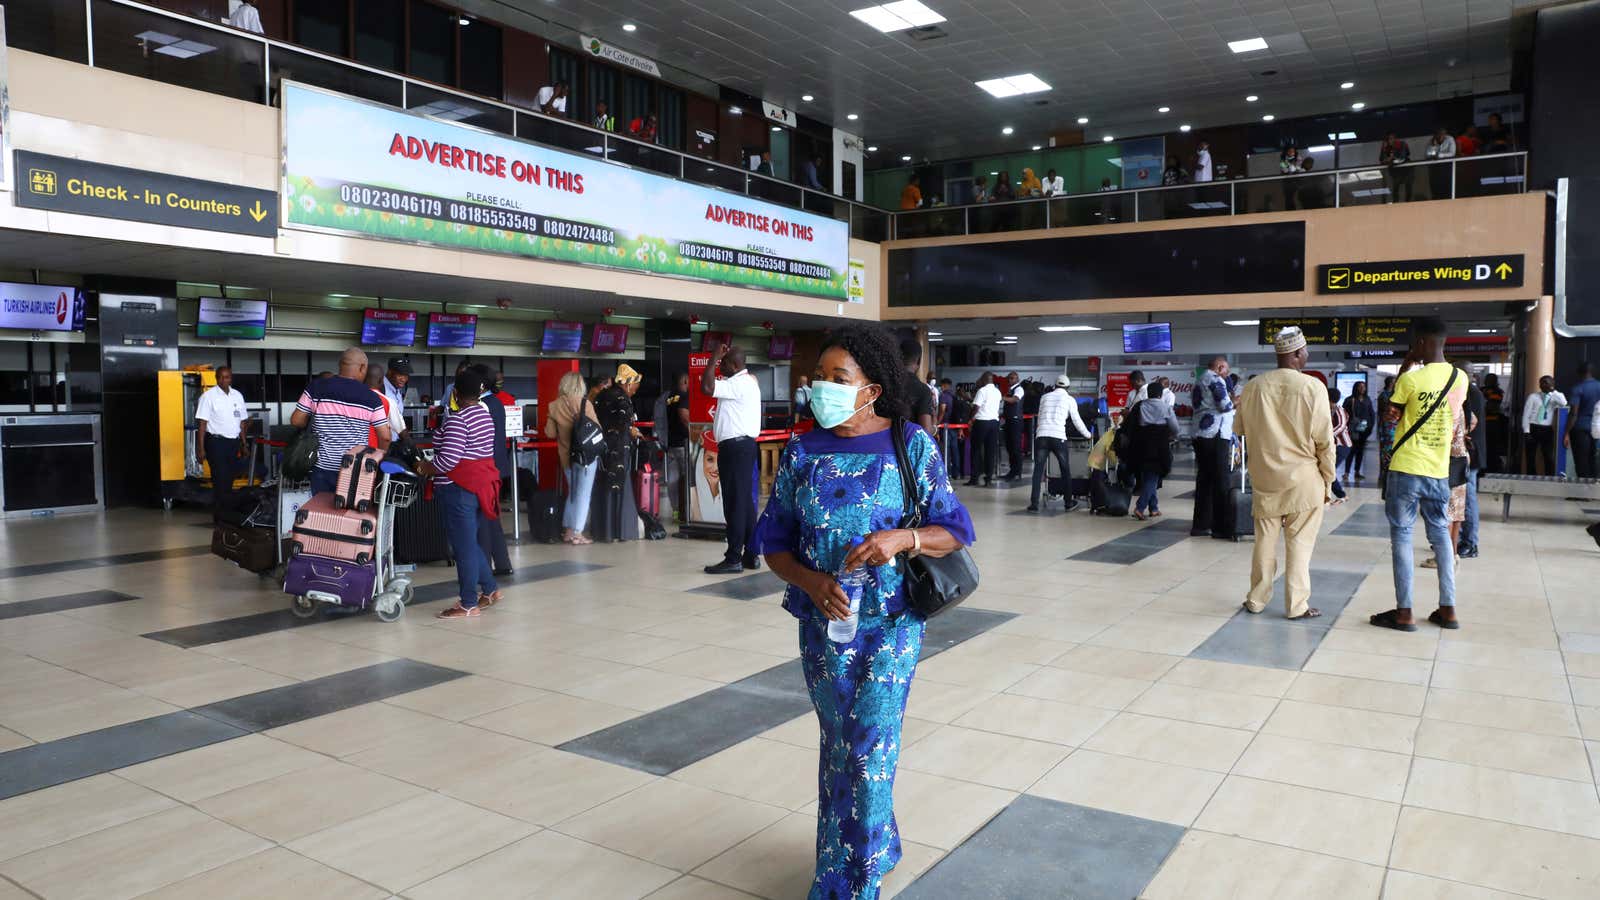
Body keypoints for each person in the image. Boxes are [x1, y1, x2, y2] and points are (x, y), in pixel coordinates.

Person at [752, 323, 973, 900]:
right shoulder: (803, 449)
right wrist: (810, 580)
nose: (823, 387)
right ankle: (878, 843)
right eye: (818, 378)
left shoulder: (910, 444)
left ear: (871, 389)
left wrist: (904, 539)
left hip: (891, 626)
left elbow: (955, 529)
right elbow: (772, 540)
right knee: (839, 744)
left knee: (870, 746)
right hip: (824, 627)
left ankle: (851, 884)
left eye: (837, 378)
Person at [1371, 317, 1467, 632]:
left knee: (1402, 535)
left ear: (1422, 343)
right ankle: (1448, 609)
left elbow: (1390, 416)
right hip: (1439, 471)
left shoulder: (1410, 380)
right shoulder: (1460, 378)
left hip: (1406, 468)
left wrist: (1405, 366)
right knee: (1440, 535)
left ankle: (1405, 613)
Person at [1233, 326, 1335, 620]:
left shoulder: (1253, 387)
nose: (1307, 355)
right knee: (1300, 544)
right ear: (1295, 354)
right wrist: (1329, 480)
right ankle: (1296, 605)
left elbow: (1238, 429)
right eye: (1305, 351)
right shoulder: (1312, 387)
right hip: (1303, 480)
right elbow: (1325, 442)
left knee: (1264, 541)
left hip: (1265, 478)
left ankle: (1256, 599)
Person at [418, 367, 500, 618]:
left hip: (458, 491)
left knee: (463, 549)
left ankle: (467, 603)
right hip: (479, 488)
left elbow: (448, 461)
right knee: (469, 543)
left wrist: (424, 468)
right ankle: (490, 589)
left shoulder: (459, 419)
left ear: (455, 392)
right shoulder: (484, 415)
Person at [291, 348, 391, 496]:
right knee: (351, 516)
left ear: (340, 365)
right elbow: (385, 437)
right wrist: (378, 459)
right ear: (362, 367)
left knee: (322, 513)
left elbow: (296, 420)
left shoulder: (316, 387)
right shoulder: (372, 398)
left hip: (322, 468)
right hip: (356, 470)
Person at [703, 345, 762, 573]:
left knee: (735, 504)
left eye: (724, 363)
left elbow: (707, 387)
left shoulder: (739, 383)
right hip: (741, 448)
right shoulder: (745, 383)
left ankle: (734, 557)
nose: (720, 366)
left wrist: (712, 357)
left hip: (736, 449)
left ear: (735, 366)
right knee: (744, 503)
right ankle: (750, 554)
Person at [544, 371, 600, 545]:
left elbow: (550, 433)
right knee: (583, 495)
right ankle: (577, 533)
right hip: (586, 458)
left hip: (567, 457)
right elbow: (597, 429)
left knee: (573, 494)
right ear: (580, 385)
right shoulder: (586, 404)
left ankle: (568, 530)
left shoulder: (554, 406)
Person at [470, 365, 514, 575]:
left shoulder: (482, 405)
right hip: (497, 466)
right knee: (492, 517)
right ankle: (503, 563)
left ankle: (485, 567)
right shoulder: (495, 402)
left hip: (486, 468)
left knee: (484, 520)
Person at [591, 364, 643, 542]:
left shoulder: (601, 395)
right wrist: (632, 430)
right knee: (622, 485)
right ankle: (622, 530)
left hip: (603, 449)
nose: (635, 391)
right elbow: (623, 424)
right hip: (619, 449)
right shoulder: (623, 399)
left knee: (604, 485)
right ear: (627, 384)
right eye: (635, 386)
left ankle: (603, 531)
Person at [195, 366, 251, 520]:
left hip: (233, 443)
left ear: (231, 378)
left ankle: (225, 514)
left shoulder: (237, 396)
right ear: (216, 378)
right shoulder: (208, 397)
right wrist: (200, 449)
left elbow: (242, 423)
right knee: (220, 479)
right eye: (221, 377)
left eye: (227, 377)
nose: (224, 380)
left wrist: (244, 443)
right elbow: (202, 424)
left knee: (229, 479)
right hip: (215, 442)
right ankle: (220, 518)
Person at [1028, 374, 1089, 512]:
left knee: (1038, 470)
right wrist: (1088, 435)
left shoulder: (1044, 397)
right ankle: (1068, 503)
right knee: (1065, 470)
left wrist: (1040, 432)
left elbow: (1039, 417)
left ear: (1055, 385)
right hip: (1058, 437)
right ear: (1067, 388)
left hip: (1042, 436)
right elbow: (1076, 420)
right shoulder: (1069, 399)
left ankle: (1034, 504)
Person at [1191, 356, 1236, 537]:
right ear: (1219, 367)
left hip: (1200, 433)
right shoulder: (1215, 379)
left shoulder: (1199, 381)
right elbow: (1225, 405)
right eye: (1226, 369)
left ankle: (1201, 525)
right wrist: (1238, 401)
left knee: (1205, 480)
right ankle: (1221, 527)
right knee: (1220, 481)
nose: (1227, 374)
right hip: (1215, 434)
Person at [1123, 380, 1179, 520]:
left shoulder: (1139, 406)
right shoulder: (1166, 408)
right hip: (1159, 446)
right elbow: (1175, 429)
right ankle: (1140, 507)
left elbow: (1130, 425)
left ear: (1148, 393)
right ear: (1161, 394)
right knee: (1153, 476)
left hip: (1141, 445)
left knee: (1149, 475)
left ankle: (1154, 508)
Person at [1455, 375, 1488, 559]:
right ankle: (1458, 539)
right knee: (1460, 498)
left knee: (1468, 500)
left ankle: (1470, 543)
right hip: (1465, 454)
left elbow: (1469, 424)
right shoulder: (1469, 392)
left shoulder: (1472, 394)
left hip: (1470, 455)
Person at [1522, 375, 1567, 475]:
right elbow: (1526, 415)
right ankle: (1531, 476)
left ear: (1552, 384)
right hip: (1533, 427)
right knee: (1530, 456)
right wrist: (1526, 431)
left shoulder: (1555, 397)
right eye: (1541, 382)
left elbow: (1564, 403)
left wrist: (1553, 391)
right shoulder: (1533, 396)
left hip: (1546, 429)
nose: (1543, 384)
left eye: (1546, 382)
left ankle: (1549, 476)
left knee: (1548, 455)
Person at [664, 372, 692, 522]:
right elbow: (683, 415)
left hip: (670, 443)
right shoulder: (684, 396)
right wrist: (693, 433)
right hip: (683, 443)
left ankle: (675, 510)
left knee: (672, 478)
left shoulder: (669, 398)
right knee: (687, 478)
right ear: (686, 381)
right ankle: (686, 511)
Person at [966, 372, 1001, 487]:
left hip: (981, 422)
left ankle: (974, 478)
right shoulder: (997, 392)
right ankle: (988, 478)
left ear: (984, 379)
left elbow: (976, 407)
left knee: (976, 450)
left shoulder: (982, 391)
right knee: (990, 451)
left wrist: (971, 419)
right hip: (994, 423)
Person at [1566, 363, 1600, 479]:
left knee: (1581, 459)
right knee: (1593, 458)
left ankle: (1582, 493)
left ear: (1579, 373)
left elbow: (1574, 413)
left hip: (1580, 427)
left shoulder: (1578, 388)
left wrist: (1566, 432)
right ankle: (1594, 489)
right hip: (1597, 428)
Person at [1342, 380, 1375, 481]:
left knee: (1360, 451)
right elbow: (1344, 414)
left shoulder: (1367, 399)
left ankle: (1357, 472)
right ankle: (1346, 472)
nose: (1362, 388)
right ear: (1356, 388)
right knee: (1351, 451)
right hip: (1353, 429)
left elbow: (1371, 413)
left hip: (1364, 429)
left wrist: (1371, 426)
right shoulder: (1349, 399)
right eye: (1360, 387)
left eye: (1363, 387)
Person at [902, 340, 936, 435]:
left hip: (880, 446)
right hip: (907, 446)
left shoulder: (883, 385)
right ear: (919, 360)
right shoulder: (923, 390)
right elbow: (926, 432)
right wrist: (934, 426)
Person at [1001, 371, 1025, 481]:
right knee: (1010, 447)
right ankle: (1012, 471)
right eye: (1009, 378)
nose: (1010, 380)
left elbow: (1015, 399)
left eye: (1012, 378)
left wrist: (1002, 398)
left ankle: (1017, 472)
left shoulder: (1018, 389)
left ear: (1017, 379)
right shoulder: (1010, 390)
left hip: (1015, 421)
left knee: (1015, 448)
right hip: (1009, 421)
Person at [1481, 373, 1507, 472]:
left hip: (1491, 423)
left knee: (1491, 447)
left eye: (1489, 379)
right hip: (1484, 422)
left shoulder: (1496, 392)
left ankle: (1493, 468)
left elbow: (1492, 407)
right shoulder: (1483, 390)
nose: (1487, 381)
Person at [380, 357, 413, 436]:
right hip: (384, 444)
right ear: (390, 372)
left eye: (406, 375)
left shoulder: (397, 390)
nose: (403, 379)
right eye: (400, 374)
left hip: (396, 442)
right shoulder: (380, 388)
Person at [1329, 386, 1351, 502]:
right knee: (1327, 469)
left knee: (1329, 470)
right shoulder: (1328, 410)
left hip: (1342, 446)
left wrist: (1327, 435)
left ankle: (1341, 495)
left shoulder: (1339, 410)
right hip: (1333, 446)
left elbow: (1341, 426)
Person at [1380, 132, 1413, 202]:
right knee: (1395, 188)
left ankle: (1408, 203)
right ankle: (1395, 203)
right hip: (1395, 173)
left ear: (1395, 139)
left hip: (1406, 170)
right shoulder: (1386, 147)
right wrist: (1384, 149)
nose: (1390, 141)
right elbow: (1382, 160)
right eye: (1388, 139)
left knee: (1408, 187)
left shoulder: (1402, 144)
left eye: (1391, 139)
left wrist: (1392, 159)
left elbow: (1402, 158)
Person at [1377, 375, 1398, 481]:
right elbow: (1384, 411)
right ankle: (1384, 471)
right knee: (1386, 449)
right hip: (1387, 426)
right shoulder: (1384, 395)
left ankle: (1390, 470)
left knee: (1393, 448)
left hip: (1394, 426)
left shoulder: (1395, 394)